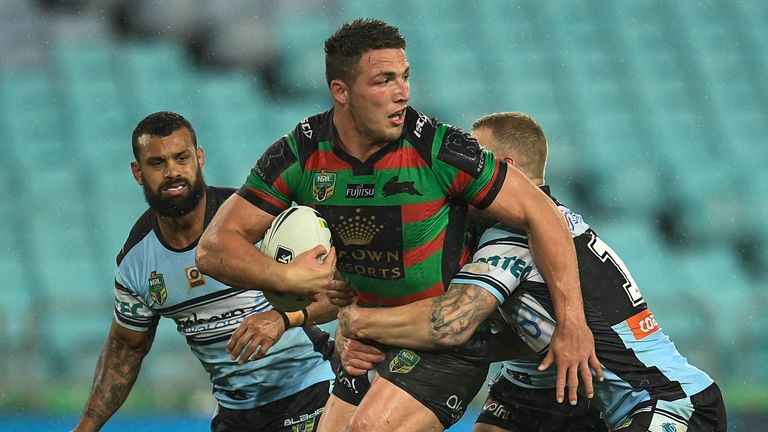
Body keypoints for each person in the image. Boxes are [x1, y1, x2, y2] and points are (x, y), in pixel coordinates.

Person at [196, 18, 599, 432]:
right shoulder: (301, 152)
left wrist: (572, 323)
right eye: (383, 80)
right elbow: (214, 248)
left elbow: (542, 213)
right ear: (341, 91)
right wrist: (288, 278)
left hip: (442, 343)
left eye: (404, 77)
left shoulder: (439, 148)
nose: (402, 92)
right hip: (370, 339)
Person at [337, 112, 727, 431]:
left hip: (668, 403)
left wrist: (358, 323)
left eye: (477, 162)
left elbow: (449, 324)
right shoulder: (547, 223)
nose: (462, 174)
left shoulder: (515, 234)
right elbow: (519, 336)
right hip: (592, 398)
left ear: (505, 169)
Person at [71, 112, 337, 432]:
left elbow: (336, 293)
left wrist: (283, 319)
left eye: (181, 158)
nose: (172, 172)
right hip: (237, 414)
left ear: (199, 158)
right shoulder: (135, 263)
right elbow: (127, 347)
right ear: (137, 172)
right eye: (157, 163)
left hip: (313, 391)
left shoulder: (256, 221)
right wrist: (86, 425)